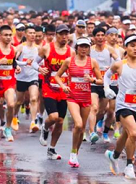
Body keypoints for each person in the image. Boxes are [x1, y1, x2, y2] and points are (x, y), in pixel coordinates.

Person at [104, 35, 136, 180]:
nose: (135, 48)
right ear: (126, 47)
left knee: (127, 134)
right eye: (132, 45)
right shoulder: (119, 65)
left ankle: (114, 155)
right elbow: (107, 76)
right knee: (133, 133)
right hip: (123, 105)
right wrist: (107, 88)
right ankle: (129, 165)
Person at [57, 36, 103, 167]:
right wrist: (63, 86)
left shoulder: (92, 62)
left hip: (86, 98)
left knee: (82, 128)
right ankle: (72, 153)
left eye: (86, 47)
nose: (84, 49)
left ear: (89, 48)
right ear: (77, 48)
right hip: (72, 97)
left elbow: (101, 80)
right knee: (77, 124)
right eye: (81, 46)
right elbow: (57, 76)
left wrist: (92, 80)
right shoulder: (68, 61)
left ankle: (75, 155)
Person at [35, 24, 72, 160]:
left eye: (66, 34)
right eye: (61, 34)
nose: (64, 37)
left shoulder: (71, 52)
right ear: (56, 35)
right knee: (54, 117)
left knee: (61, 121)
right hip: (49, 87)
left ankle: (51, 149)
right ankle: (44, 128)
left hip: (63, 89)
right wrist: (39, 69)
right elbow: (34, 63)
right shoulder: (47, 48)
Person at [88, 27, 119, 144]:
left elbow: (119, 60)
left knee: (108, 111)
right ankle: (92, 133)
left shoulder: (110, 50)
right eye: (98, 35)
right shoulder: (90, 50)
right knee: (94, 107)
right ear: (94, 37)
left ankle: (105, 132)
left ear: (105, 37)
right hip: (94, 82)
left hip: (107, 83)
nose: (100, 37)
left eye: (102, 35)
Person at [14, 25, 41, 133]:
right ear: (25, 34)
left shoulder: (38, 48)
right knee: (19, 101)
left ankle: (33, 122)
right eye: (30, 33)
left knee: (34, 98)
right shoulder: (20, 47)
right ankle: (15, 116)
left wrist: (41, 68)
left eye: (34, 33)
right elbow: (14, 61)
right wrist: (22, 64)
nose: (33, 35)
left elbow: (41, 62)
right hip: (21, 77)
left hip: (33, 77)